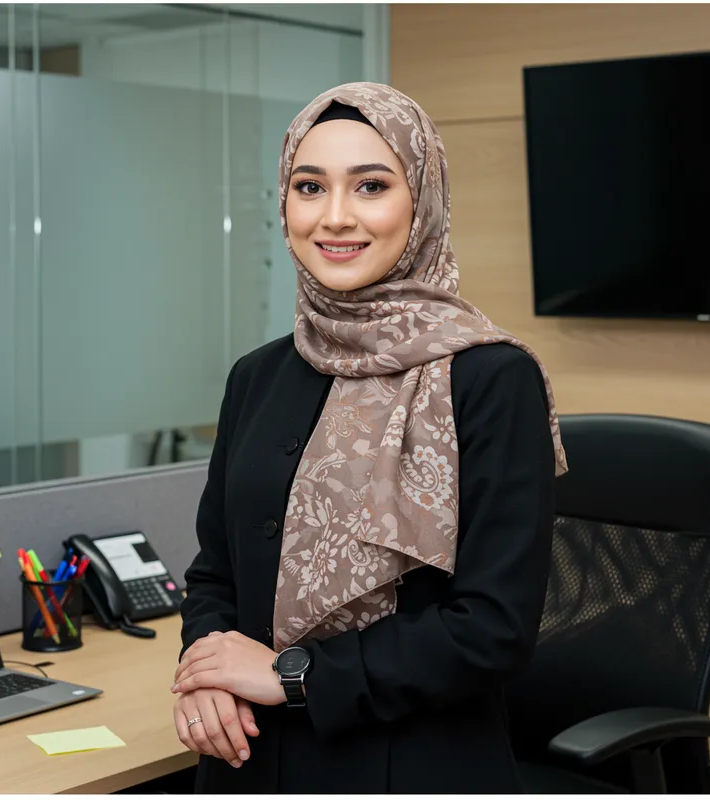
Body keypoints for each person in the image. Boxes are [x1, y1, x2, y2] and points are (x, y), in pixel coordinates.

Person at [171, 82, 568, 794]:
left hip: (407, 762)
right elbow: (216, 572)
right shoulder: (257, 377)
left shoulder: (491, 378)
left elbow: (492, 631)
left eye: (372, 186)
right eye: (309, 186)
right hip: (248, 760)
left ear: (422, 203)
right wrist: (204, 671)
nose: (335, 217)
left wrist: (290, 676)